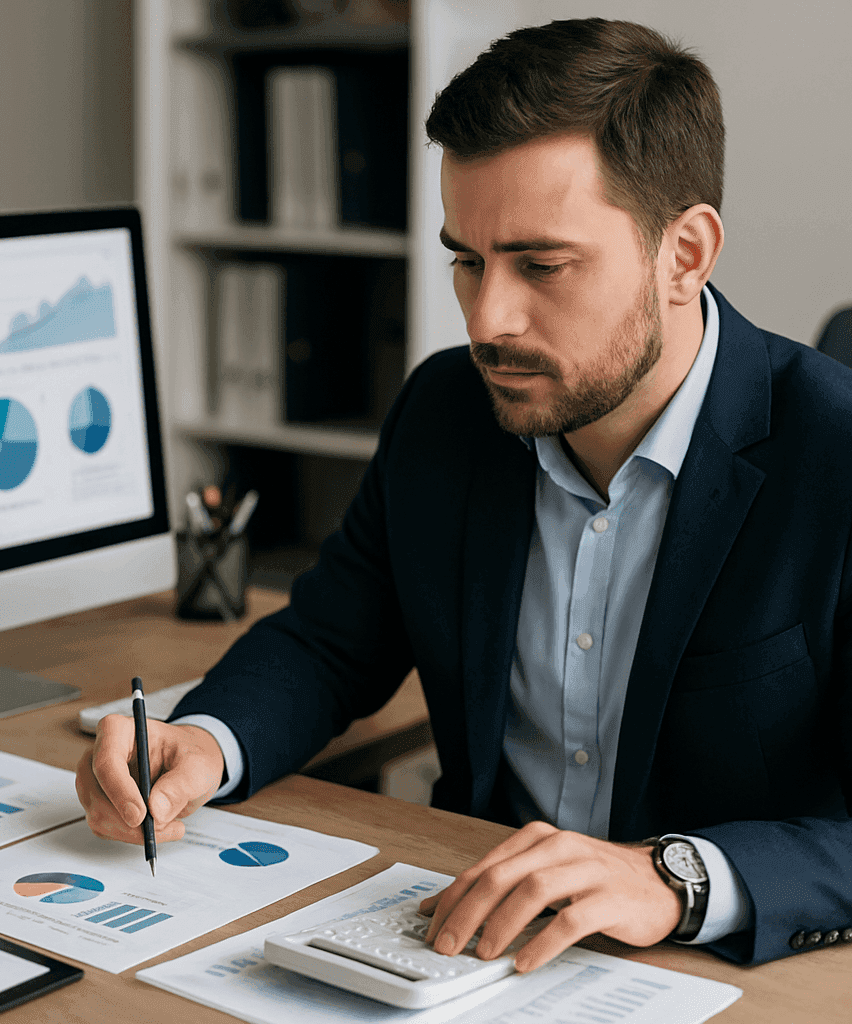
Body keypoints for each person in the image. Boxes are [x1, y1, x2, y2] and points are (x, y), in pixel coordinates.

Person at [77, 18, 852, 972]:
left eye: (541, 265)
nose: (488, 319)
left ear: (685, 253)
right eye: (466, 259)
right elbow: (329, 641)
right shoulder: (449, 409)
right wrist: (202, 739)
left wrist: (676, 876)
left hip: (707, 967)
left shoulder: (836, 452)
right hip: (463, 945)